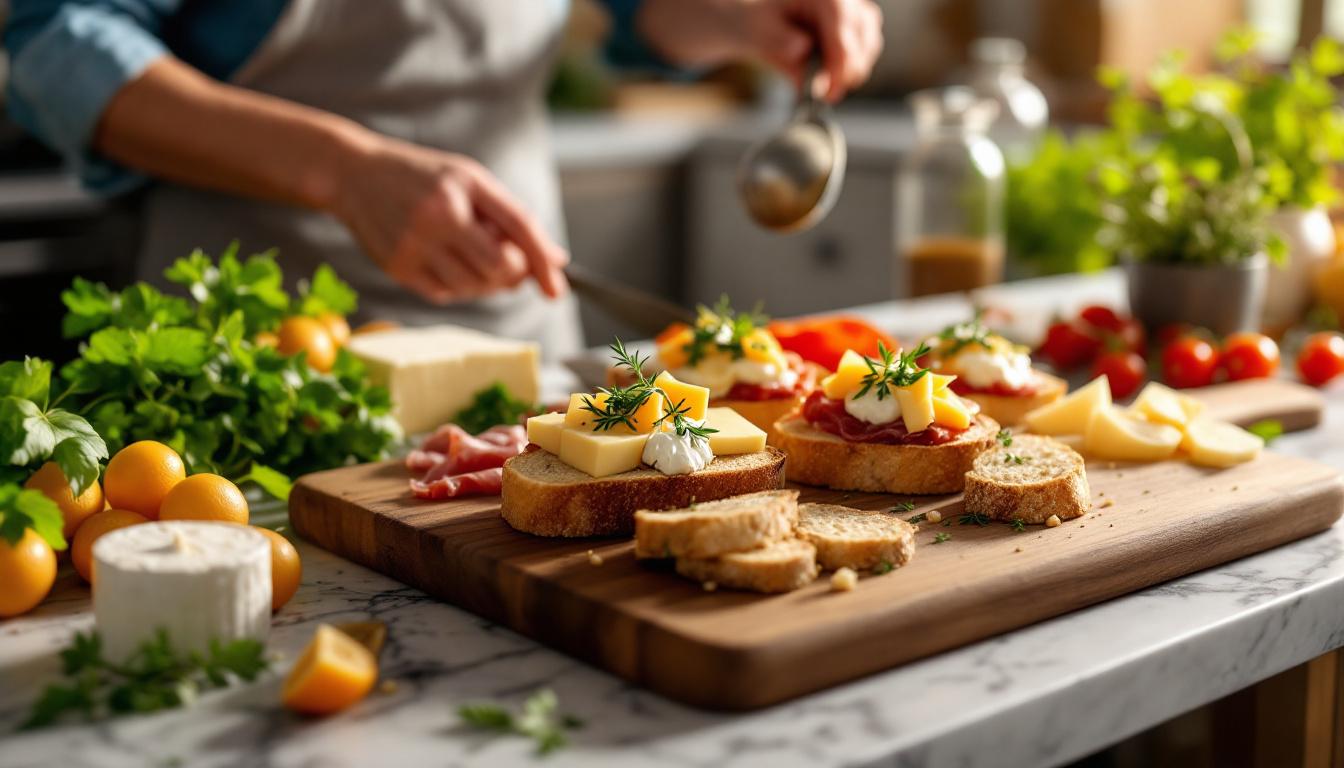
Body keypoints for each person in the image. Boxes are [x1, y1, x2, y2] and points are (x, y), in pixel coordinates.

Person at [5, 0, 884, 354]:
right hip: (254, 347)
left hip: (516, 333)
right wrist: (342, 170)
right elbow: (54, 49)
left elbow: (637, 17)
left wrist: (744, 16)